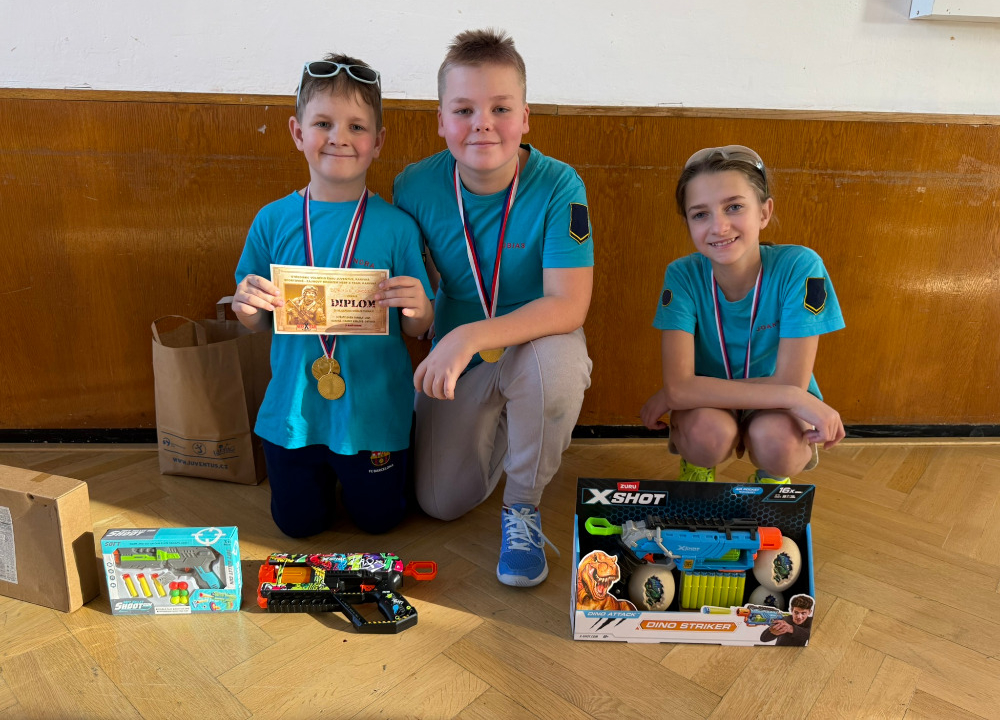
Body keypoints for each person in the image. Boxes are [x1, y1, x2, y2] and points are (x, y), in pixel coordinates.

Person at [393, 29, 593, 587]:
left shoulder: (559, 185)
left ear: (524, 117)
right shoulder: (413, 186)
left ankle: (522, 504)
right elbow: (422, 293)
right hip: (461, 360)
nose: (482, 124)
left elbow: (569, 305)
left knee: (558, 367)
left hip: (535, 346)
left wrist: (468, 335)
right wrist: (435, 325)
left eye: (500, 108)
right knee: (440, 503)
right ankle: (506, 422)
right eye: (464, 110)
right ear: (441, 120)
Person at [232, 54, 433, 538]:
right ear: (297, 132)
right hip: (295, 413)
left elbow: (417, 328)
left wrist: (420, 308)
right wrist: (247, 306)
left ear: (377, 142)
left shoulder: (397, 227)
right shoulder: (272, 221)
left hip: (374, 414)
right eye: (323, 123)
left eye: (356, 126)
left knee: (380, 522)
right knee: (297, 527)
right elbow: (255, 320)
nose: (339, 137)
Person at [640, 145, 845, 484]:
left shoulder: (801, 266)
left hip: (768, 406)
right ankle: (698, 467)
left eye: (734, 207)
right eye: (700, 214)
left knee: (781, 443)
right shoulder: (682, 275)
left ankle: (770, 483)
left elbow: (791, 381)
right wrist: (793, 396)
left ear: (764, 212)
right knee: (707, 433)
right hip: (710, 408)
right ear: (687, 223)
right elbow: (679, 389)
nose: (719, 227)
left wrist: (683, 390)